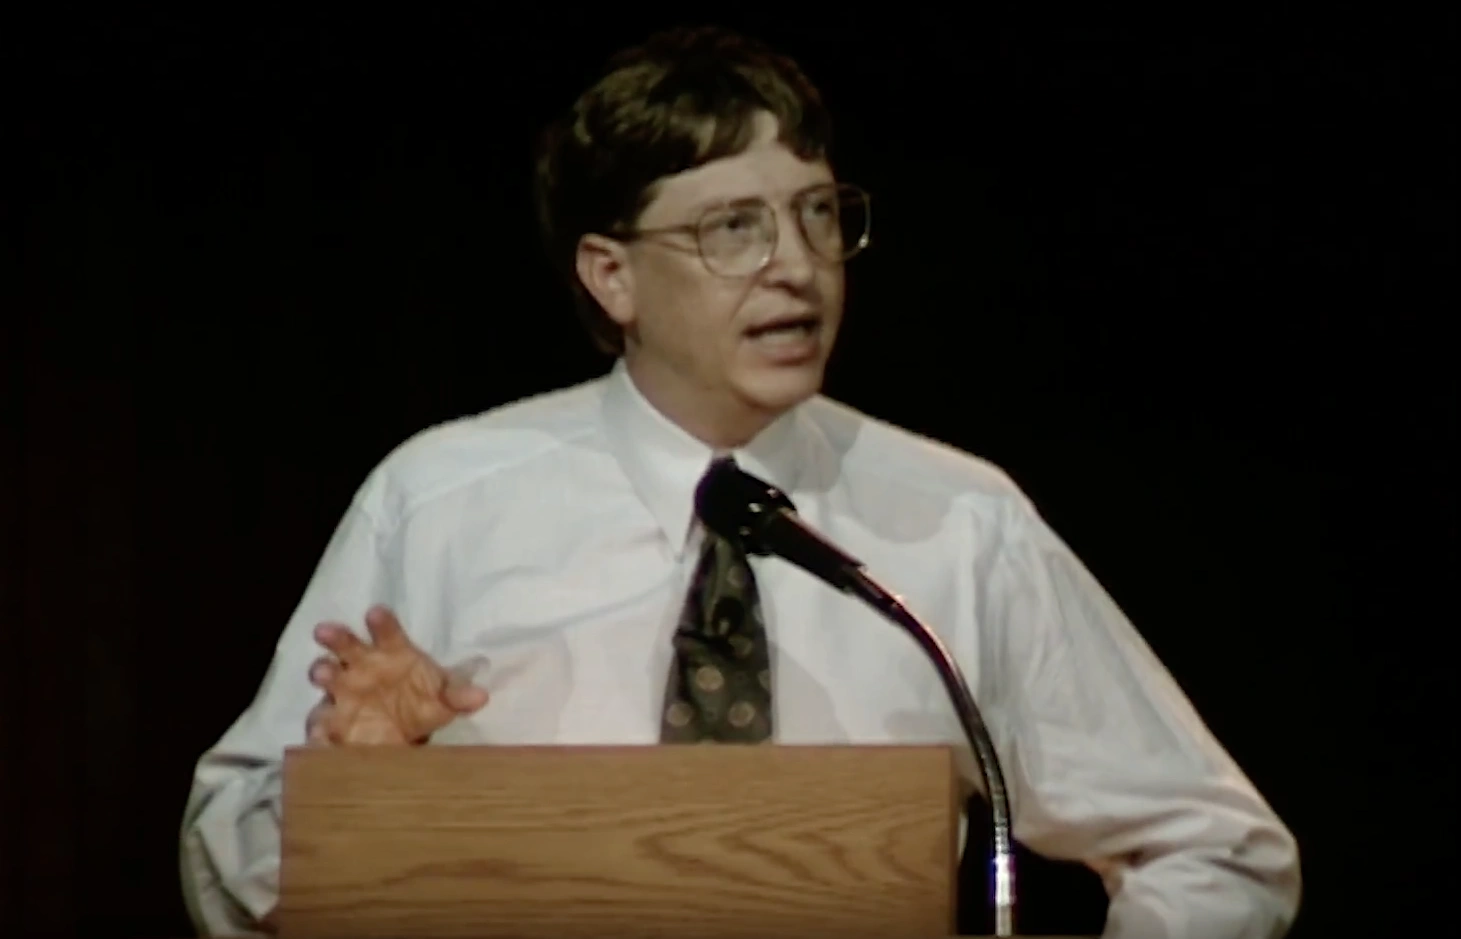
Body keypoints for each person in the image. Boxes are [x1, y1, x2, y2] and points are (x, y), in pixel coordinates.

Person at [179, 25, 1301, 938]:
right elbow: (228, 848)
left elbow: (1217, 849)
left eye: (818, 214)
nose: (798, 264)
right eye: (734, 227)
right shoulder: (442, 502)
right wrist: (359, 792)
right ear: (610, 275)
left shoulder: (956, 518)